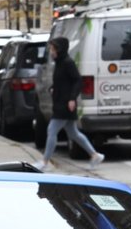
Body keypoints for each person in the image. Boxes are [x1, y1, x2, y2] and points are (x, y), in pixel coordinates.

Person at [39, 38, 104, 172]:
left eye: (53, 49)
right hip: (62, 102)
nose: (51, 52)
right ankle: (95, 155)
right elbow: (62, 82)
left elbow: (77, 81)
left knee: (51, 130)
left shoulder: (67, 63)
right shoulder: (60, 63)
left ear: (59, 49)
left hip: (65, 104)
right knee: (73, 133)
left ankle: (45, 162)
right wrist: (53, 88)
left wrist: (72, 99)